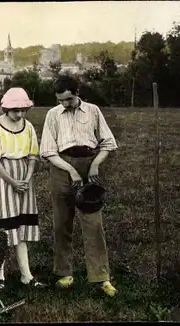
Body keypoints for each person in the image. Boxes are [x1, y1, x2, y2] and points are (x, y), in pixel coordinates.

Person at [39, 75, 119, 297]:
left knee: (93, 224)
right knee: (61, 223)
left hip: (88, 166)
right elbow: (47, 150)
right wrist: (70, 170)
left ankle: (101, 277)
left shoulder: (93, 111)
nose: (64, 104)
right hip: (62, 167)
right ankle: (64, 273)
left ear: (77, 93)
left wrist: (94, 165)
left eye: (68, 99)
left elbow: (108, 143)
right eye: (60, 100)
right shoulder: (52, 115)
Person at [0, 87, 45, 289]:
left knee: (21, 227)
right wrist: (12, 182)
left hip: (23, 178)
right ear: (6, 108)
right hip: (2, 179)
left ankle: (26, 275)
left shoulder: (28, 127)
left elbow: (33, 155)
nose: (20, 114)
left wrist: (26, 178)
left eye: (23, 110)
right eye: (15, 110)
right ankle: (0, 276)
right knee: (3, 228)